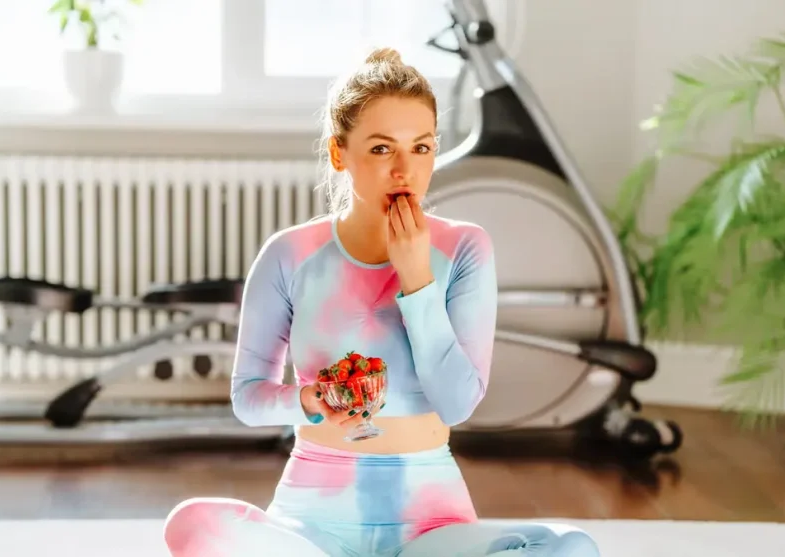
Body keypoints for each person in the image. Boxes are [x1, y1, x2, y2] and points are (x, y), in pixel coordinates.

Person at [162, 47, 602, 557]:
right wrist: (307, 402)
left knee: (570, 548)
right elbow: (248, 398)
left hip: (432, 525)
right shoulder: (289, 254)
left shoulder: (464, 249)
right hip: (311, 521)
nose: (404, 170)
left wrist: (416, 278)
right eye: (380, 149)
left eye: (421, 148)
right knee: (192, 524)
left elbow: (457, 404)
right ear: (338, 154)